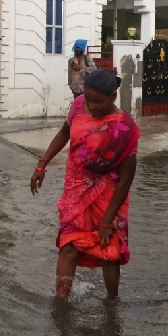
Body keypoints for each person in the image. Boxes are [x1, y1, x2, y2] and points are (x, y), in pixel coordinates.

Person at [30, 69, 140, 300]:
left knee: (108, 251)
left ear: (113, 97)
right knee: (68, 244)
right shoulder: (79, 106)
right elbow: (64, 133)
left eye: (98, 101)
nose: (91, 106)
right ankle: (61, 302)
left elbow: (127, 177)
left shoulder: (124, 128)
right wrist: (42, 165)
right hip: (76, 191)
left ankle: (112, 304)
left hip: (109, 196)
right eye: (88, 99)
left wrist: (107, 220)